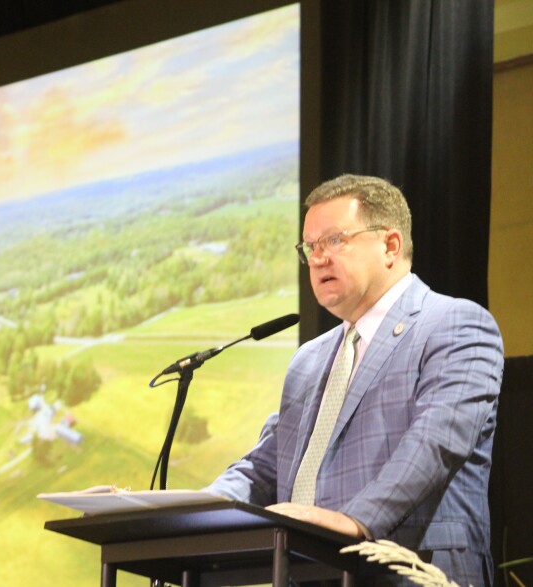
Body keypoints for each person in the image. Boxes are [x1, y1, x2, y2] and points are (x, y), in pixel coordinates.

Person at [207, 174, 504, 587]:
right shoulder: (308, 361)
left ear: (390, 246)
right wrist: (193, 510)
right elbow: (265, 467)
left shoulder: (454, 324)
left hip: (410, 570)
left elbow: (433, 445)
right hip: (306, 574)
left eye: (334, 240)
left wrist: (354, 522)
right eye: (310, 246)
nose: (317, 258)